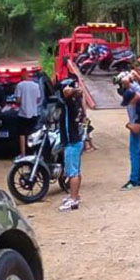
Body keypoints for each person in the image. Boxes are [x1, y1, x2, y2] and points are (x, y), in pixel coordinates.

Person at [116, 72, 140, 190]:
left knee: (134, 152)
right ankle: (139, 176)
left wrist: (126, 77)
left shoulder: (133, 98)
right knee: (138, 151)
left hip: (136, 125)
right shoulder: (137, 91)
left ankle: (134, 180)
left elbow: (126, 81)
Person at [58, 79, 85, 211]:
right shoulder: (77, 100)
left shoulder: (69, 102)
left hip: (71, 141)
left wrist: (71, 90)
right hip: (77, 139)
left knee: (72, 172)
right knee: (76, 171)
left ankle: (73, 200)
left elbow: (67, 92)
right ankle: (75, 195)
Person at [15, 70, 41, 160]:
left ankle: (23, 154)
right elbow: (38, 99)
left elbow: (18, 100)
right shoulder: (36, 85)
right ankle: (33, 153)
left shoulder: (20, 85)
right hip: (34, 113)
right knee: (33, 134)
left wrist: (17, 104)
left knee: (22, 134)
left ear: (22, 76)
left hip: (23, 113)